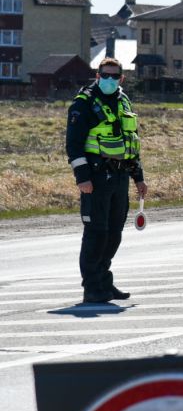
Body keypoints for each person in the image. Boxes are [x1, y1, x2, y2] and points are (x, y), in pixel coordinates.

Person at [65, 57, 147, 304]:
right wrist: (83, 178)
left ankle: (104, 282)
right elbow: (74, 145)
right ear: (97, 76)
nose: (109, 80)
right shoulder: (85, 103)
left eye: (114, 76)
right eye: (105, 75)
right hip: (96, 177)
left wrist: (138, 178)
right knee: (96, 233)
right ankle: (92, 287)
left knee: (114, 234)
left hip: (120, 176)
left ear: (121, 78)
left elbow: (130, 141)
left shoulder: (123, 101)